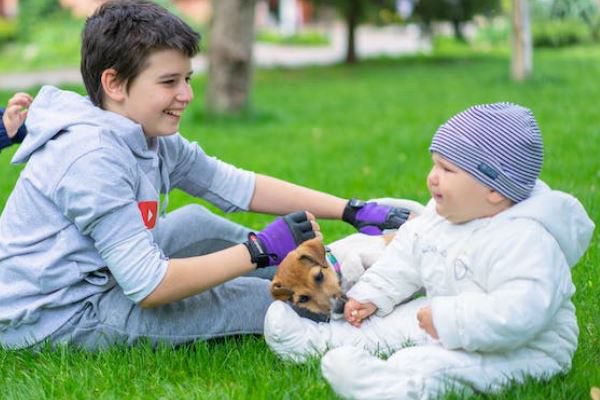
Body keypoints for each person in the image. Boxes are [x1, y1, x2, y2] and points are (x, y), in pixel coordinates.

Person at [0, 0, 410, 350]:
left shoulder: (143, 132)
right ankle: (369, 327)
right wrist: (256, 249)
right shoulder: (90, 158)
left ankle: (332, 270)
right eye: (169, 82)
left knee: (195, 223)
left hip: (103, 274)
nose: (187, 95)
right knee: (255, 299)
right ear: (115, 84)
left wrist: (352, 210)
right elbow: (149, 286)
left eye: (187, 79)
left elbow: (235, 185)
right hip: (58, 314)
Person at [264, 103, 595, 399]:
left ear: (494, 189)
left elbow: (522, 311)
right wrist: (370, 296)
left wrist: (448, 319)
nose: (432, 178)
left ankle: (399, 386)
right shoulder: (440, 218)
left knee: (441, 365)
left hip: (525, 345)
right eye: (434, 164)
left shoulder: (526, 240)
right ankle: (318, 342)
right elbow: (404, 258)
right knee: (388, 325)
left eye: (447, 170)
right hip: (443, 314)